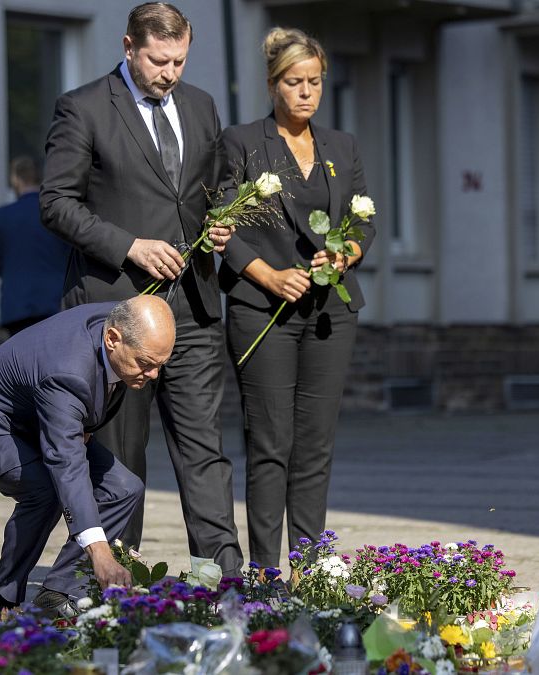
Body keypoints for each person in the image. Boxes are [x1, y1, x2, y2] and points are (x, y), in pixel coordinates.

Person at [40, 1, 243, 586]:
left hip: (195, 309)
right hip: (119, 314)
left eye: (179, 61)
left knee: (205, 453)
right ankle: (117, 591)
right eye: (159, 60)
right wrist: (129, 245)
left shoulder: (202, 105)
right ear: (129, 47)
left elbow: (215, 185)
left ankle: (221, 584)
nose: (170, 72)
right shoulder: (82, 108)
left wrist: (223, 220)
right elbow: (55, 205)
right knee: (121, 461)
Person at [219, 27, 376, 567]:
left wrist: (347, 252)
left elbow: (362, 219)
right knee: (271, 445)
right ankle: (264, 572)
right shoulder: (241, 143)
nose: (306, 92)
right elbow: (222, 225)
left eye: (314, 82)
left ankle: (309, 570)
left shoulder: (342, 147)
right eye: (294, 82)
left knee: (315, 447)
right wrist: (269, 275)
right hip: (264, 312)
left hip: (331, 314)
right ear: (272, 84)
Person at [0, 296, 173, 617]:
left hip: (36, 415)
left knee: (124, 488)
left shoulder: (122, 323)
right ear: (113, 339)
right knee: (43, 490)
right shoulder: (67, 371)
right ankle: (5, 603)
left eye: (160, 364)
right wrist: (99, 551)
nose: (154, 375)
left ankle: (57, 594)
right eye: (145, 363)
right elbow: (67, 465)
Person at [0, 156, 70, 336]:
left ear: (15, 179)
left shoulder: (3, 216)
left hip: (17, 304)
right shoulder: (57, 213)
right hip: (54, 302)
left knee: (19, 362)